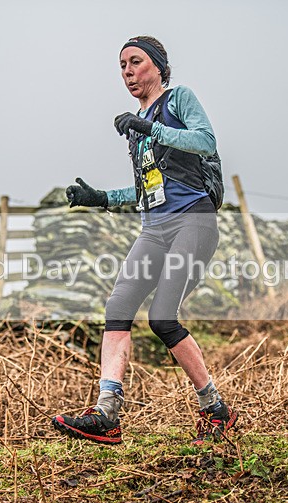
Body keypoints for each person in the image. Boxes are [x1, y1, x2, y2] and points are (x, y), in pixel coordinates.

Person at [52, 36, 237, 445]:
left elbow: (205, 141)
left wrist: (149, 125)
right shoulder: (137, 129)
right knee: (117, 307)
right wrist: (100, 198)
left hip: (194, 222)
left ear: (157, 66)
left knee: (162, 317)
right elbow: (147, 189)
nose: (128, 72)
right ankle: (107, 413)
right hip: (155, 227)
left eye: (136, 62)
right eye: (122, 66)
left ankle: (215, 409)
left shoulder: (178, 100)